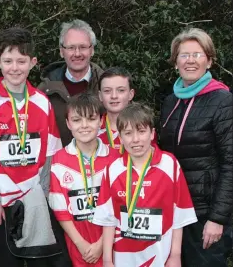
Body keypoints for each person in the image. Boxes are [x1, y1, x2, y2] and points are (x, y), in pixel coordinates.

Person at [0, 27, 72, 267]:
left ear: (33, 62)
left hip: (35, 199)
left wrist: (44, 198)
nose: (14, 67)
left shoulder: (41, 101)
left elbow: (51, 154)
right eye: (8, 61)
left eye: (21, 61)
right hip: (2, 203)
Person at [159, 28, 233, 266]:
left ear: (209, 60)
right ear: (175, 62)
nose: (190, 60)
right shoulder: (170, 101)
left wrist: (217, 219)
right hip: (176, 211)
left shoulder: (223, 101)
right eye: (184, 55)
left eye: (197, 54)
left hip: (206, 215)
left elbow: (231, 162)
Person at [93, 102, 197, 267]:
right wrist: (107, 259)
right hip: (124, 258)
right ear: (120, 137)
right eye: (128, 133)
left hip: (160, 255)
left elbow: (180, 214)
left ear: (152, 133)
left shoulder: (169, 164)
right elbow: (108, 219)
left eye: (141, 132)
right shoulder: (113, 169)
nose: (135, 139)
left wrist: (175, 255)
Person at [49, 92, 118, 267]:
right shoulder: (59, 160)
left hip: (112, 241)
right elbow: (60, 209)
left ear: (101, 121)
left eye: (91, 118)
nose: (84, 125)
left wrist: (101, 244)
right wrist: (81, 244)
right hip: (78, 243)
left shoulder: (116, 159)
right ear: (68, 124)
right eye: (77, 120)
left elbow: (121, 204)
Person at [38, 19, 104, 147]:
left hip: (102, 163)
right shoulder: (45, 90)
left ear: (92, 50)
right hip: (57, 164)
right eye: (71, 47)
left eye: (83, 47)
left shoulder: (107, 87)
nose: (77, 53)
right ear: (62, 51)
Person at [97, 67, 135, 152]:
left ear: (130, 94)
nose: (114, 96)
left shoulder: (142, 128)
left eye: (121, 90)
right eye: (107, 91)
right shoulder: (92, 129)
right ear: (100, 96)